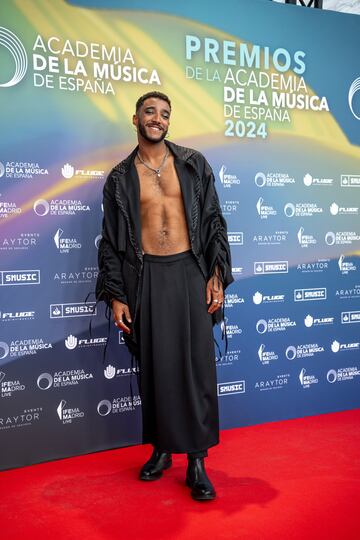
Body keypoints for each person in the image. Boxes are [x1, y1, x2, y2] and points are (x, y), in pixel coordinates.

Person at [96, 91, 233, 501]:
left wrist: (215, 273)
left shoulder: (192, 165)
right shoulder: (120, 179)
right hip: (147, 275)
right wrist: (117, 295)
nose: (157, 119)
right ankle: (160, 450)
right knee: (155, 366)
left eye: (164, 114)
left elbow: (212, 221)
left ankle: (196, 461)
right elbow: (111, 243)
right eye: (150, 112)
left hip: (189, 271)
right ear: (135, 119)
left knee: (196, 367)